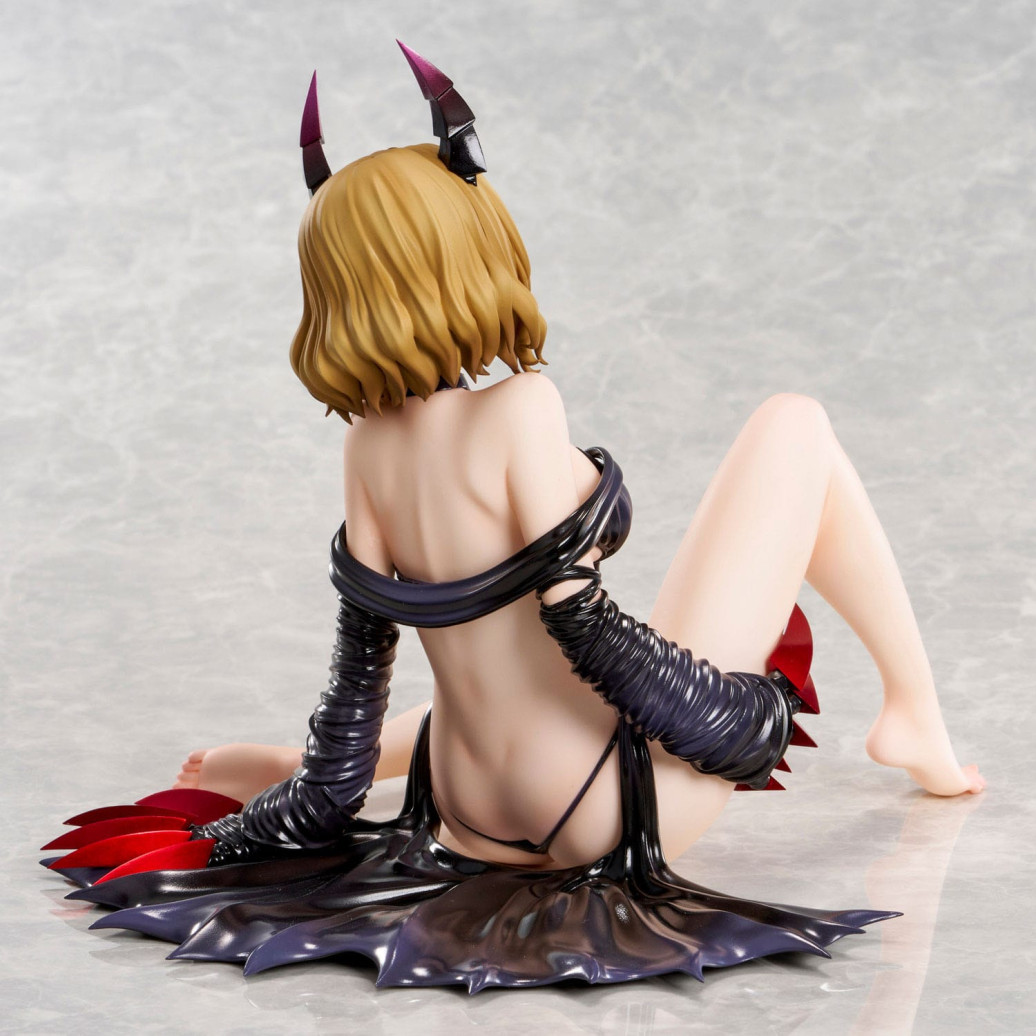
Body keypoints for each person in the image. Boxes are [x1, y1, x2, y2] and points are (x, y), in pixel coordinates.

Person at [46, 45, 982, 991]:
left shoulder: (366, 450)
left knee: (493, 664)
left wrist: (281, 810)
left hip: (463, 808)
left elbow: (363, 676)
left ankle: (280, 755)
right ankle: (914, 712)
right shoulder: (523, 408)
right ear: (465, 246)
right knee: (796, 427)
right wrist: (740, 722)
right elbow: (586, 629)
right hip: (596, 806)